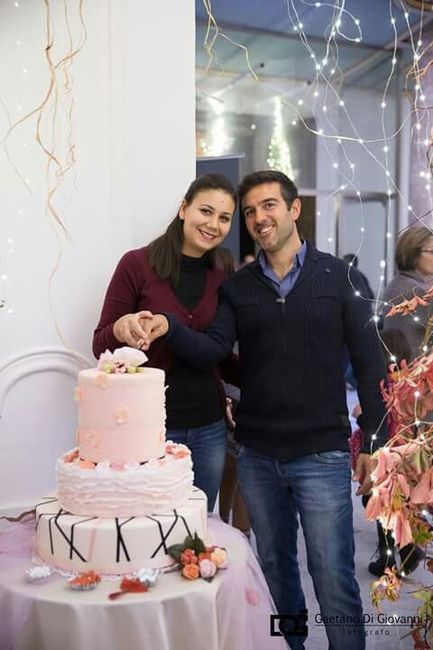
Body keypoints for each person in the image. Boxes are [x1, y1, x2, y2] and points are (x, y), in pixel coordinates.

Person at [140, 170, 387, 650]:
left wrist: (374, 442)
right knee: (274, 571)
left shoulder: (340, 278)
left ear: (294, 209)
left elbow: (370, 363)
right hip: (257, 456)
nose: (258, 218)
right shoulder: (238, 287)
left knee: (332, 575)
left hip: (322, 454)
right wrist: (169, 326)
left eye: (268, 205)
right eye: (250, 211)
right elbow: (214, 351)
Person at [92, 173, 237, 512]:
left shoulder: (222, 272)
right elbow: (100, 345)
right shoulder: (136, 264)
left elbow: (216, 351)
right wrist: (121, 329)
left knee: (197, 527)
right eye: (205, 211)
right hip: (148, 427)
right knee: (147, 524)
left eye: (224, 217)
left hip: (209, 427)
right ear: (184, 209)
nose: (213, 224)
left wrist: (171, 326)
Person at [351, 328, 424, 577]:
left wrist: (360, 415)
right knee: (392, 505)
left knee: (379, 503)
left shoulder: (384, 386)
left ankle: (393, 555)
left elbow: (380, 423)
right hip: (407, 455)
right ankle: (401, 550)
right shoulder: (410, 382)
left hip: (387, 456)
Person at [382, 227, 433, 359]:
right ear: (413, 253)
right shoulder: (417, 292)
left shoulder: (398, 283)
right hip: (416, 366)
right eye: (431, 251)